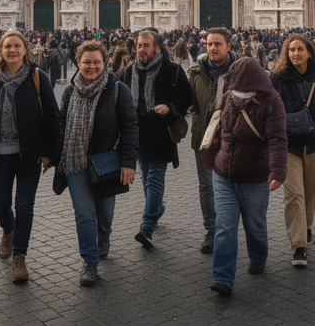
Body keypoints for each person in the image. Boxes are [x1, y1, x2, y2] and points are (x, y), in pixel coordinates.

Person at [0, 29, 59, 284]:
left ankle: (20, 257)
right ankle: (7, 229)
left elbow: (52, 116)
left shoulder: (37, 77)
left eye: (17, 46)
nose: (12, 50)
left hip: (28, 155)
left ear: (25, 50)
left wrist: (47, 152)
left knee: (24, 206)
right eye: (8, 46)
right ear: (1, 50)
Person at [52, 40, 137, 287]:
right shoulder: (69, 91)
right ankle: (89, 262)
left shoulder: (118, 90)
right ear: (78, 63)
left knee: (104, 213)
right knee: (84, 213)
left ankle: (104, 236)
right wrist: (53, 156)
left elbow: (131, 128)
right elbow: (61, 126)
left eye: (96, 62)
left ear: (105, 63)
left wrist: (129, 162)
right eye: (87, 62)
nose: (91, 67)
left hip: (105, 163)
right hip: (74, 162)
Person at [203, 57, 287, 296]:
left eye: (236, 76)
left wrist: (277, 171)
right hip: (224, 174)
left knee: (255, 225)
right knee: (225, 226)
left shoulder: (271, 101)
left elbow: (278, 139)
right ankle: (222, 277)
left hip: (254, 176)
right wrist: (210, 157)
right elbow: (218, 130)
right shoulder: (228, 97)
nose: (233, 80)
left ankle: (258, 256)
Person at [270, 34, 315, 268]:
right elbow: (269, 109)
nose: (295, 53)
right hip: (289, 144)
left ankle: (306, 225)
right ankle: (299, 245)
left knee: (311, 190)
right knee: (294, 194)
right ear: (286, 54)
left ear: (310, 52)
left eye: (300, 49)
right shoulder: (278, 78)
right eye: (291, 50)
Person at [126, 30, 193, 250]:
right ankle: (157, 209)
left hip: (160, 133)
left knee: (154, 177)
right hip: (138, 134)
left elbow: (186, 97)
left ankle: (147, 226)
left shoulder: (172, 70)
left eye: (146, 45)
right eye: (139, 46)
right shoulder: (129, 71)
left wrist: (170, 108)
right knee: (145, 176)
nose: (142, 50)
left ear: (156, 48)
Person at [187, 28, 236, 254]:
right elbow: (188, 101)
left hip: (233, 136)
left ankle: (227, 227)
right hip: (204, 136)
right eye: (209, 44)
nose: (213, 48)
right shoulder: (196, 71)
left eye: (217, 44)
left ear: (228, 45)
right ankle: (211, 229)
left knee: (232, 183)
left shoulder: (241, 71)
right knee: (206, 184)